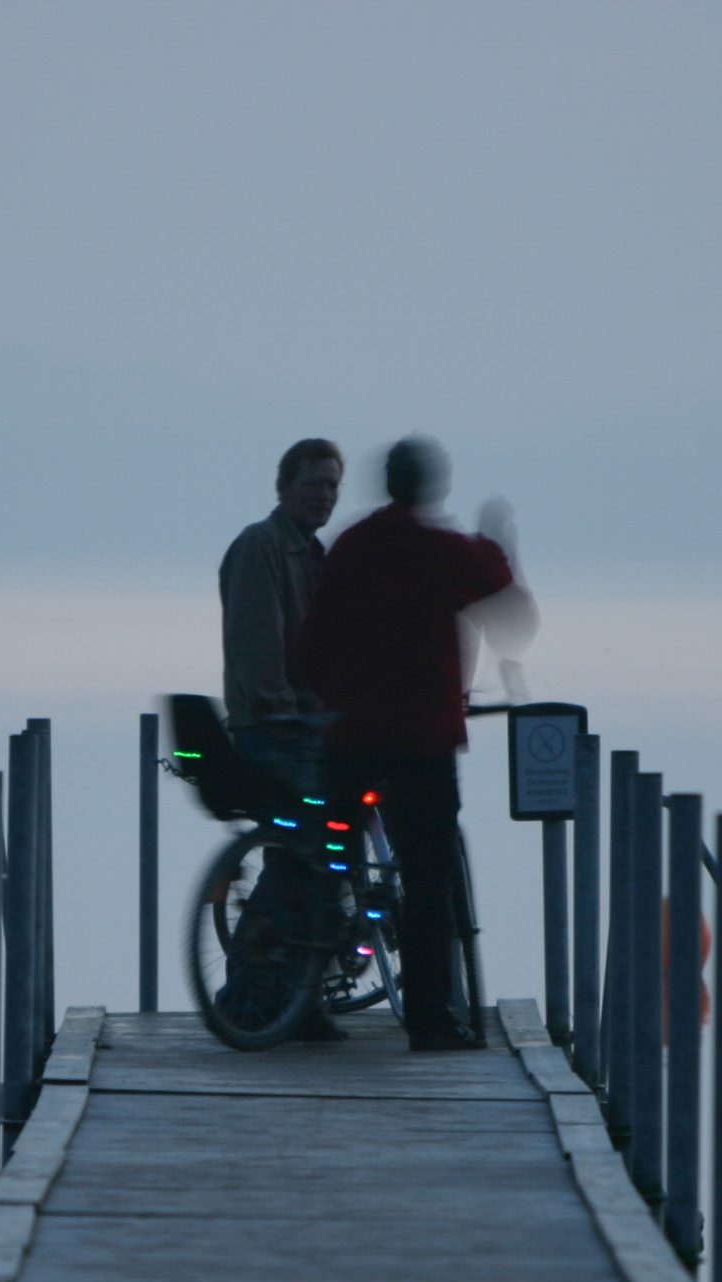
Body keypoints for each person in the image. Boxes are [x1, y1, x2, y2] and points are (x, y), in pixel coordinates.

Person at [295, 435, 537, 1051]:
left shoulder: (352, 545)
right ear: (433, 487)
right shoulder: (443, 551)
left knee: (327, 866)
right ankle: (430, 1019)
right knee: (429, 877)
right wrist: (499, 536)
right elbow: (511, 608)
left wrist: (326, 696)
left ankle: (299, 993)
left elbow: (312, 644)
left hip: (349, 736)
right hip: (420, 742)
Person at [218, 437, 342, 793]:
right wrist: (285, 716)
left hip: (305, 722)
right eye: (312, 484)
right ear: (282, 488)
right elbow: (257, 643)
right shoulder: (260, 545)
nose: (323, 495)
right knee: (303, 834)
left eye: (331, 486)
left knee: (314, 837)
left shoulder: (313, 555)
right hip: (274, 727)